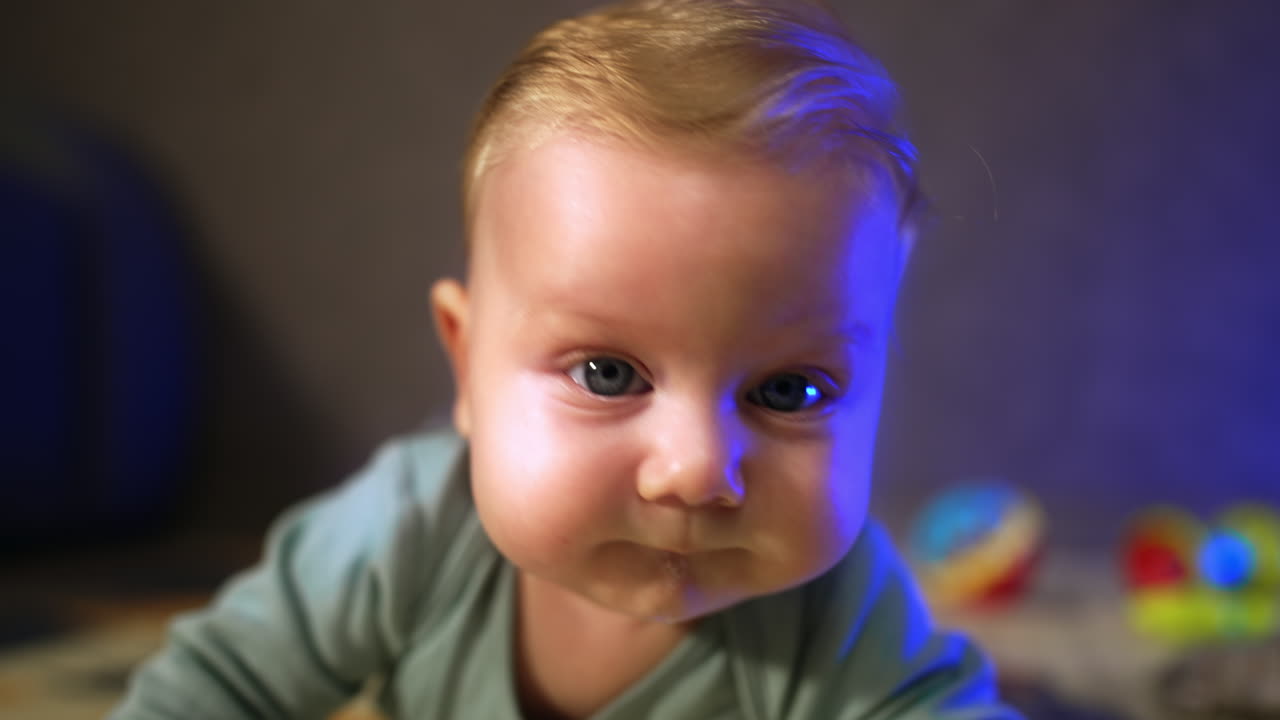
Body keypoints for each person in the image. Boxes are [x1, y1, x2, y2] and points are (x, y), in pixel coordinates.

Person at [112, 1, 1023, 718]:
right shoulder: (406, 534)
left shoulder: (838, 611)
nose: (696, 470)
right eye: (607, 374)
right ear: (466, 365)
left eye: (790, 390)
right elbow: (212, 690)